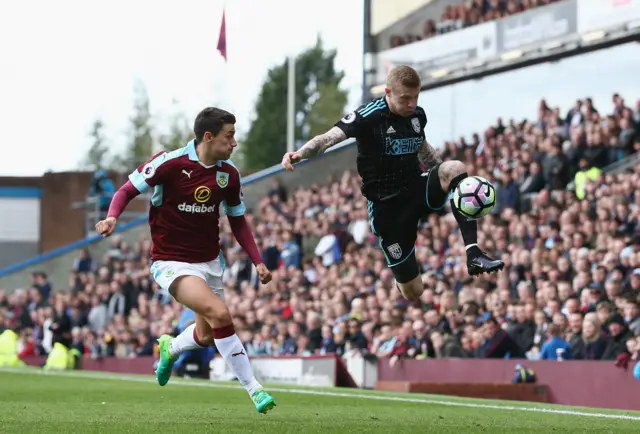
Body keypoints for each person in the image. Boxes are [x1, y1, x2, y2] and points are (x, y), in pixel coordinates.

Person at [95, 107, 276, 414]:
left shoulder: (228, 175)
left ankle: (171, 347)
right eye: (229, 136)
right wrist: (112, 217)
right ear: (209, 136)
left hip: (210, 261)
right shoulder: (168, 163)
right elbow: (126, 191)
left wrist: (257, 260)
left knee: (206, 336)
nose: (234, 143)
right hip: (171, 262)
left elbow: (238, 221)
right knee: (221, 314)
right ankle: (255, 390)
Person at [281, 65, 503, 301]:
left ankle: (473, 254)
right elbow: (327, 138)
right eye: (405, 98)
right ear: (388, 92)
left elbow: (424, 150)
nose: (412, 104)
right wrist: (300, 153)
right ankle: (402, 278)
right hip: (388, 210)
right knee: (414, 292)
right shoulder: (368, 117)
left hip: (415, 188)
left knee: (455, 168)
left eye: (416, 97)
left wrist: (449, 185)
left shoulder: (417, 116)